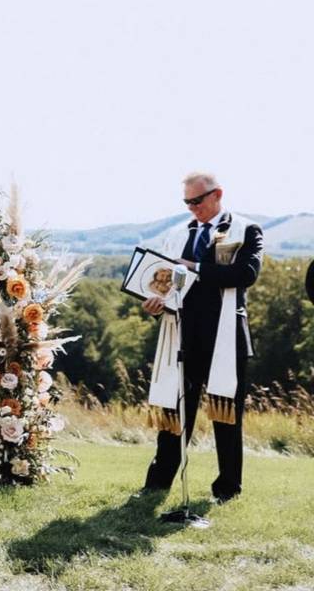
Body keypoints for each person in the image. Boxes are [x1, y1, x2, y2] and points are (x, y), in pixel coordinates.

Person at [141, 172, 263, 504]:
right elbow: (165, 283)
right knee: (174, 410)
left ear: (217, 194)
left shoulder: (246, 229)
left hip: (225, 337)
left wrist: (194, 266)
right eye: (187, 203)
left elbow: (245, 274)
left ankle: (227, 488)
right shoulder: (178, 234)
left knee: (226, 415)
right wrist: (155, 303)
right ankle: (158, 483)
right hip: (182, 334)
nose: (192, 208)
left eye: (197, 201)